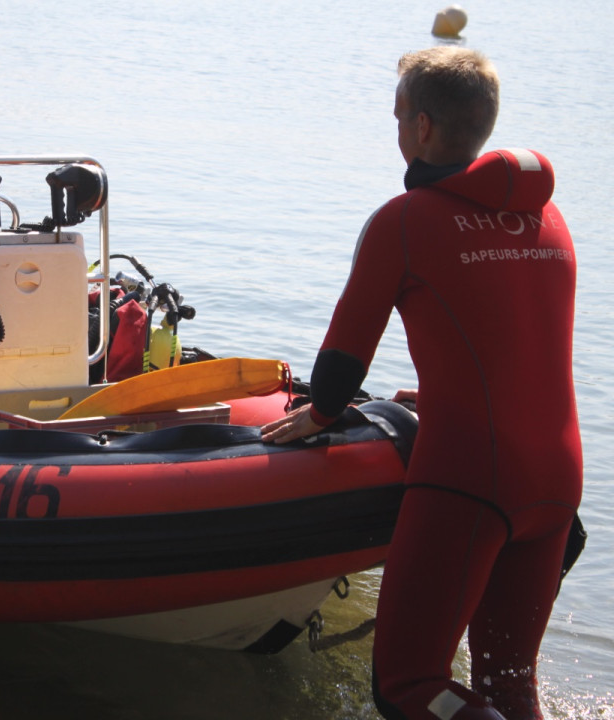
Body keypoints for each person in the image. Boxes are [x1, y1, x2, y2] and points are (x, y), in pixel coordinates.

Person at [261, 46, 582, 720]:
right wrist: (441, 393)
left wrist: (319, 416)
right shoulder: (549, 219)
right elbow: (515, 345)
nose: (398, 129)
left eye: (400, 115)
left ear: (425, 127)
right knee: (506, 684)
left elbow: (343, 364)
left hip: (468, 475)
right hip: (558, 482)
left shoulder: (404, 222)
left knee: (410, 687)